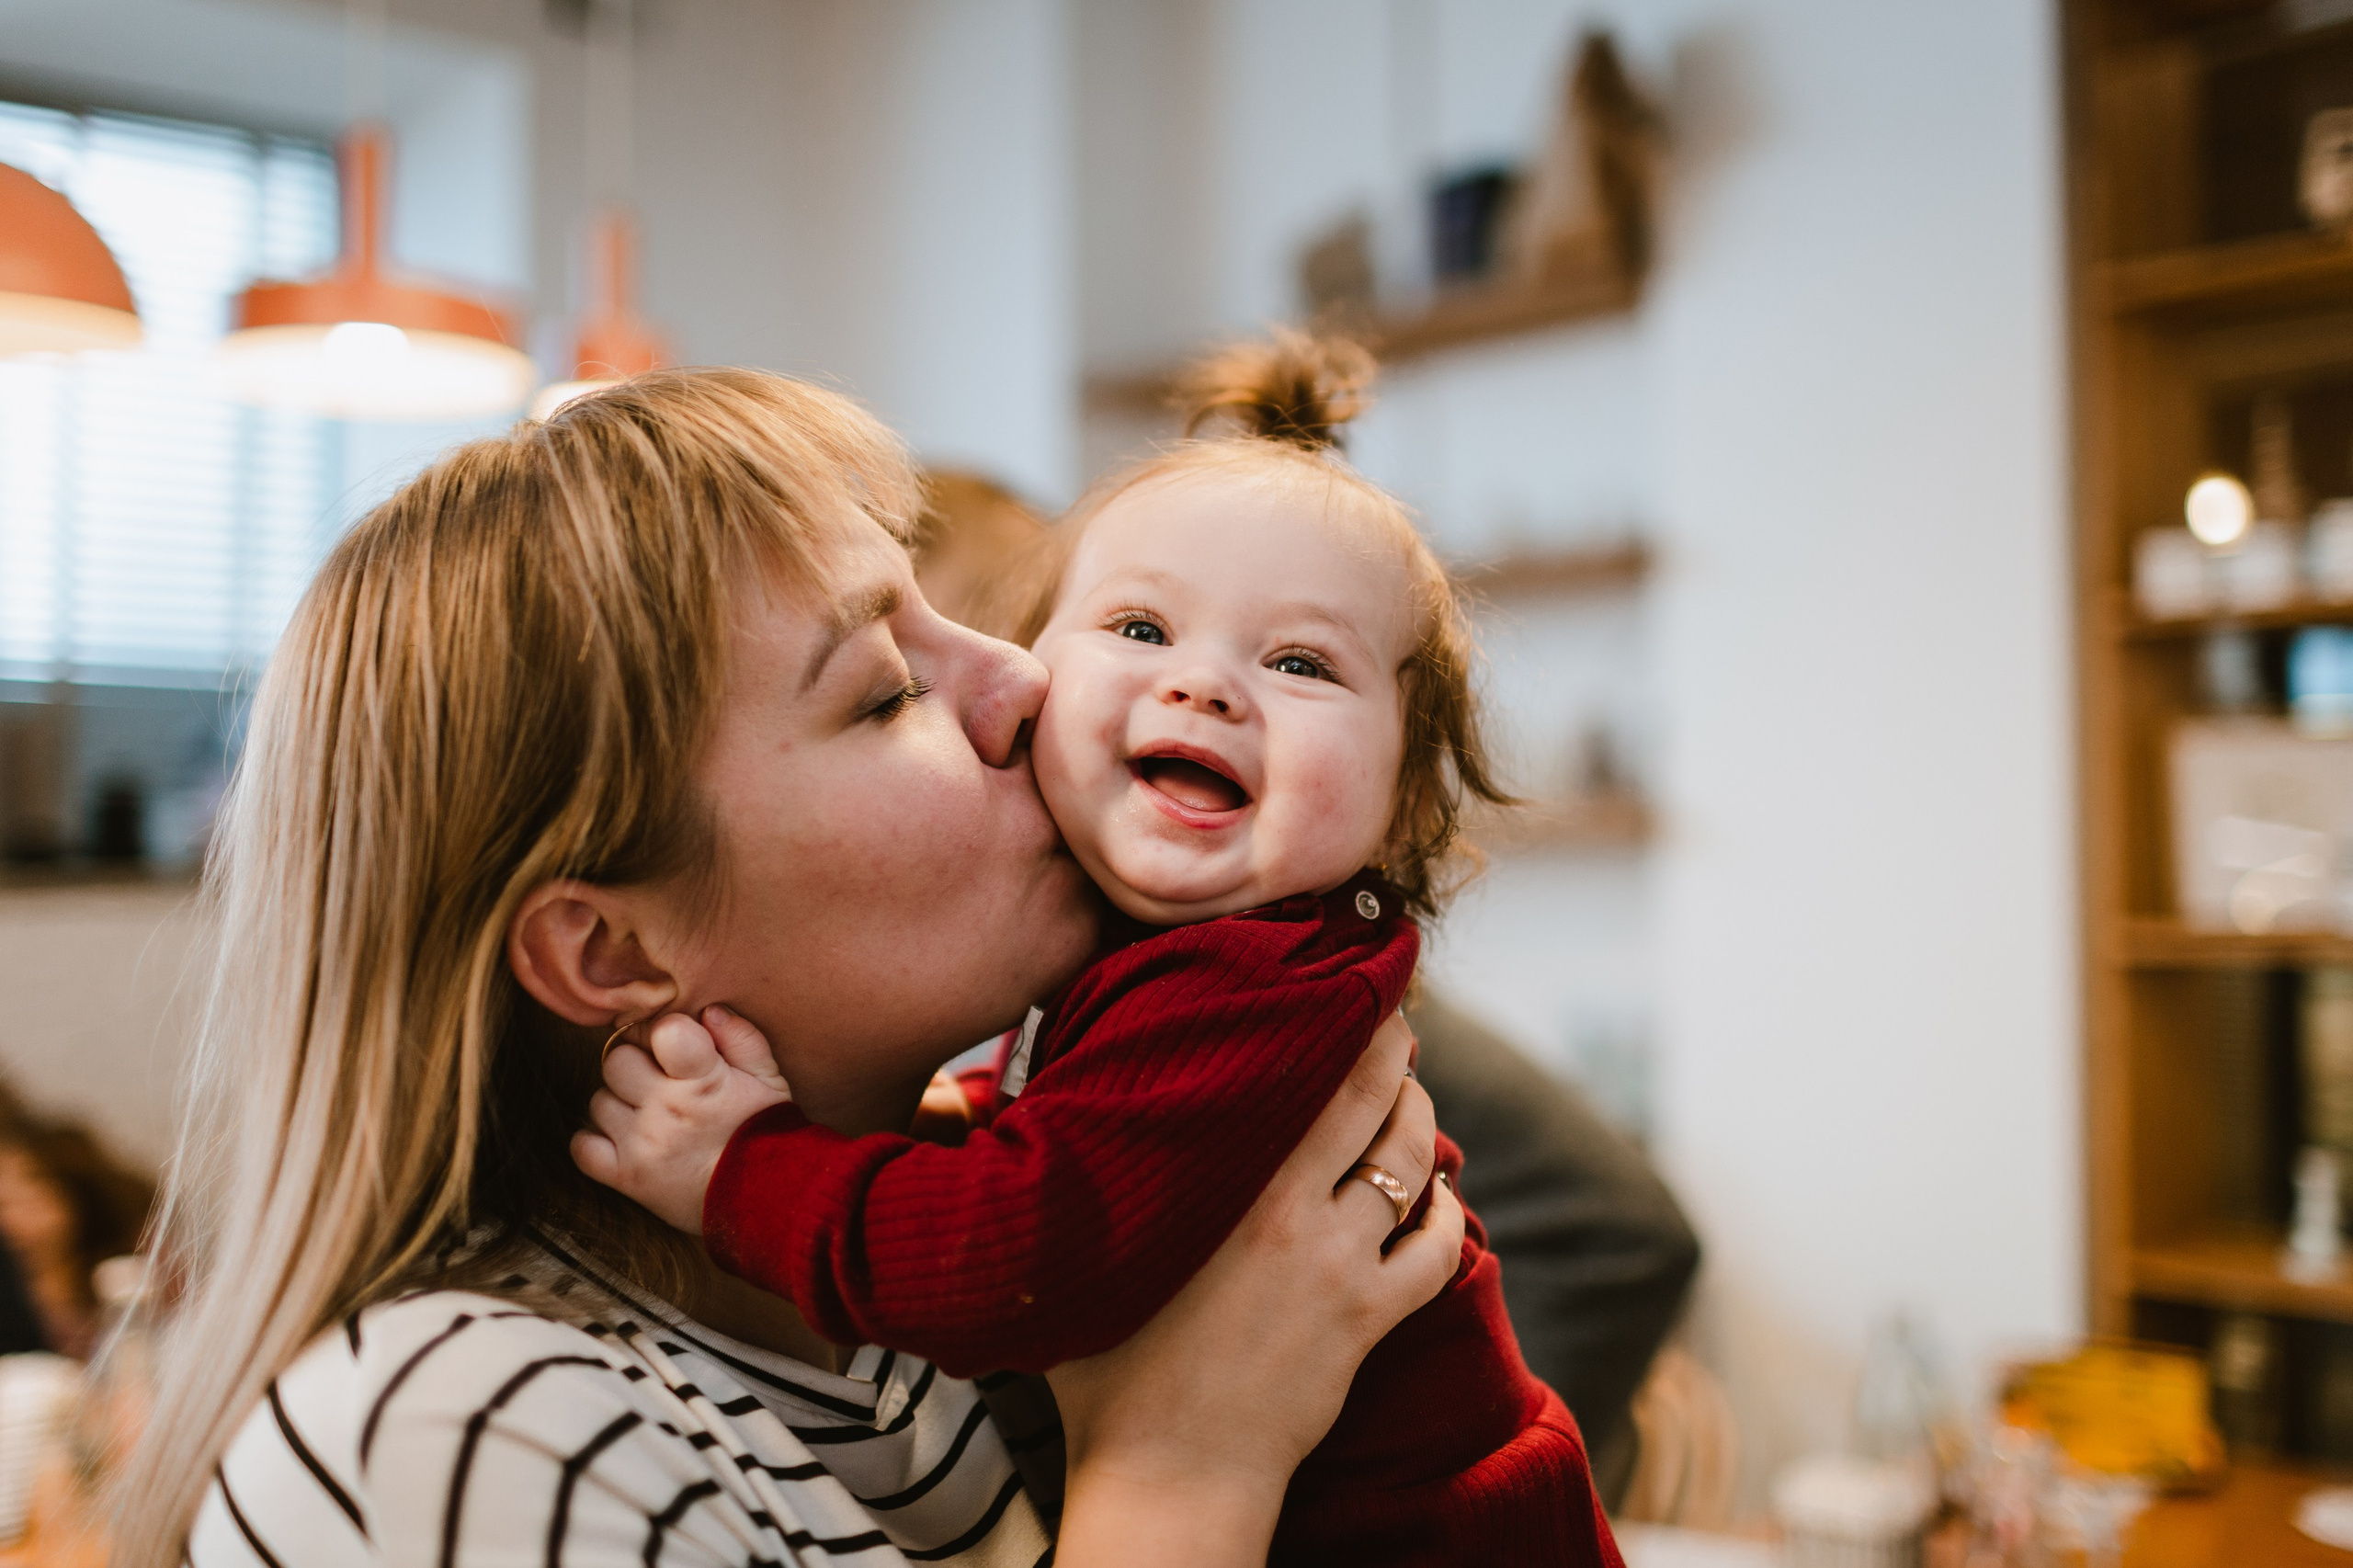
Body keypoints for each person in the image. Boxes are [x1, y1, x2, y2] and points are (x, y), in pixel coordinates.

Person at [110, 367, 1467, 1568]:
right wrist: (1187, 1467)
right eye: (884, 690)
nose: (1020, 679)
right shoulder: (460, 1435)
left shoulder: (896, 1311)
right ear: (611, 948)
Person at [578, 336, 1620, 1566]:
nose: (1204, 687)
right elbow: (1087, 1126)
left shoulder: (1252, 985)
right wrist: (956, 1120)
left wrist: (740, 1168)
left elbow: (1021, 1256)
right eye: (1139, 626)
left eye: (1300, 662)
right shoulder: (1164, 956)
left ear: (1398, 804)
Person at [0, 1116, 153, 1360]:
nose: (10, 1221)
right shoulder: (14, 1298)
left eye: (26, 1203)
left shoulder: (123, 1278)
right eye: (3, 1207)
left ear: (72, 1200)